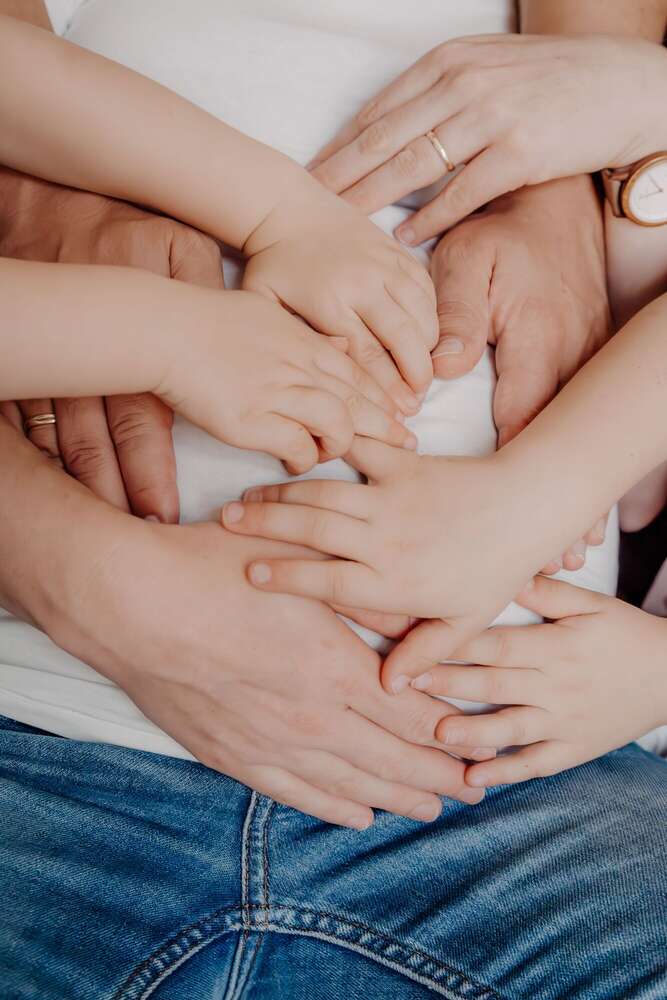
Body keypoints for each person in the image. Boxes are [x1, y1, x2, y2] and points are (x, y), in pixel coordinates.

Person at [0, 3, 666, 999]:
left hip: (521, 787)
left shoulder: (602, 112)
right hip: (48, 725)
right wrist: (84, 570)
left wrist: (592, 177)